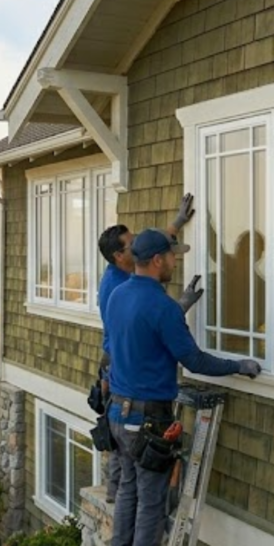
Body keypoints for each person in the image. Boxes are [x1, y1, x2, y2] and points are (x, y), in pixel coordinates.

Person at [104, 228, 262, 546]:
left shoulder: (118, 295)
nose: (177, 261)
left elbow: (132, 334)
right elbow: (192, 360)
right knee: (152, 503)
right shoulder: (161, 306)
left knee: (129, 489)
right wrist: (238, 365)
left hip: (118, 416)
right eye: (174, 255)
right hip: (149, 422)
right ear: (158, 260)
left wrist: (178, 308)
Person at [94, 194, 203, 503]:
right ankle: (116, 496)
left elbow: (151, 248)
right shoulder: (115, 286)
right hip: (121, 365)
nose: (137, 245)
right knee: (124, 453)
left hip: (126, 369)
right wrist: (178, 306)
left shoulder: (127, 272)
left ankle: (122, 499)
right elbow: (145, 326)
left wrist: (177, 224)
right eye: (132, 244)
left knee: (125, 450)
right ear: (119, 256)